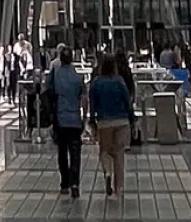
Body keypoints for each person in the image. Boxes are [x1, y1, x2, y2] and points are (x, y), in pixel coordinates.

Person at [88, 54, 137, 197]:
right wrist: (132, 119)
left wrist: (92, 120)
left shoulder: (96, 83)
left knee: (104, 151)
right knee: (119, 154)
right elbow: (127, 101)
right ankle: (119, 188)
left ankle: (107, 173)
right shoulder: (119, 81)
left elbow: (92, 104)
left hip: (104, 122)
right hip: (121, 121)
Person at [46, 47, 86, 197]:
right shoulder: (78, 77)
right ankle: (75, 183)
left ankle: (64, 182)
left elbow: (48, 93)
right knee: (75, 153)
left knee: (62, 151)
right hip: (74, 119)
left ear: (60, 59)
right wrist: (84, 117)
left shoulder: (55, 75)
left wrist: (50, 117)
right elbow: (83, 98)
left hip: (60, 118)